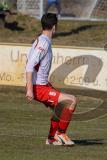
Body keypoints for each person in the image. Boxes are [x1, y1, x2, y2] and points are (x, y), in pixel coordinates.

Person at [25, 13, 77, 146]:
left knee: (59, 108)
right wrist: (30, 90)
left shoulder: (43, 40)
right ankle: (61, 134)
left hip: (42, 85)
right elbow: (30, 65)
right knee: (71, 101)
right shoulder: (43, 42)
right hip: (38, 87)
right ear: (54, 27)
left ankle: (51, 138)